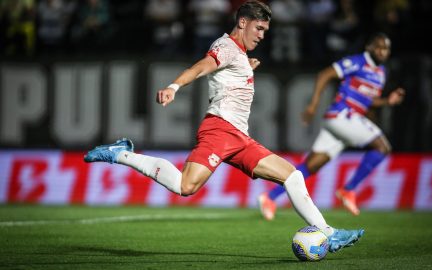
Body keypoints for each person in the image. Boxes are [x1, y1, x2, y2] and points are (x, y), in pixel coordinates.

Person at [84, 0, 363, 253]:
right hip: (220, 130)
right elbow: (202, 66)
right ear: (243, 22)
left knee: (292, 176)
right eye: (259, 28)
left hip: (239, 137)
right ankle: (120, 153)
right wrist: (174, 86)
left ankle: (328, 233)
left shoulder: (238, 54)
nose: (262, 35)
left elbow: (226, 76)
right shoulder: (226, 47)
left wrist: (246, 69)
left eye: (265, 30)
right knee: (185, 186)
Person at [258, 32, 405, 220]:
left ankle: (269, 197)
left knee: (310, 166)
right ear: (369, 47)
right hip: (342, 115)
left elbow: (368, 100)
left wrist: (387, 101)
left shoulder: (381, 72)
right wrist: (313, 104)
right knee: (382, 147)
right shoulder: (357, 61)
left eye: (386, 48)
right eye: (379, 47)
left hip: (344, 122)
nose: (382, 51)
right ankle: (348, 190)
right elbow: (325, 74)